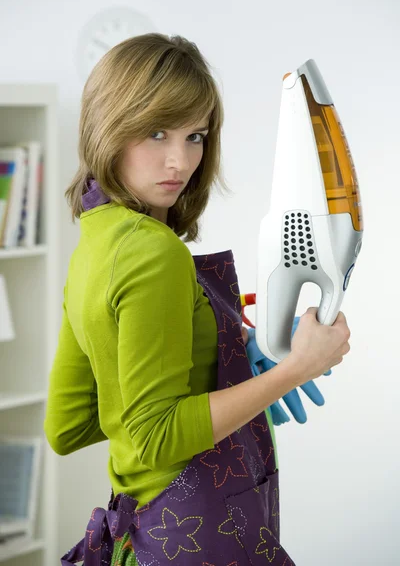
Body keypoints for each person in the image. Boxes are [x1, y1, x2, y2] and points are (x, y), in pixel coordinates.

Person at [44, 33, 351, 566]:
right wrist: (297, 368)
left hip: (142, 535)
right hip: (200, 540)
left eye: (195, 136)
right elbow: (158, 437)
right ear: (108, 126)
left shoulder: (94, 243)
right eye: (156, 132)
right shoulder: (152, 251)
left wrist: (209, 374)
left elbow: (66, 426)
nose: (178, 160)